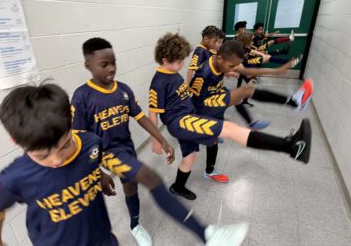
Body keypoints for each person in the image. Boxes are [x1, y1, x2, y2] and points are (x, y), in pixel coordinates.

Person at [0, 83, 249, 246]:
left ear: (71, 122)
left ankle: (207, 234)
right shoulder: (15, 177)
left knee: (149, 177)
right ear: (15, 141)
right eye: (43, 155)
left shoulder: (89, 143)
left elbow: (98, 160)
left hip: (102, 238)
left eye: (65, 145)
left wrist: (99, 174)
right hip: (53, 242)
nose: (57, 159)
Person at [71, 37, 247, 246]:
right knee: (151, 177)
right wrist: (97, 172)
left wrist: (161, 139)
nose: (111, 69)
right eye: (104, 65)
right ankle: (207, 234)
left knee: (131, 188)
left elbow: (142, 117)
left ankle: (135, 225)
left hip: (126, 148)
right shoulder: (82, 96)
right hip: (107, 153)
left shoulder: (123, 90)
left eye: (113, 62)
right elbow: (78, 140)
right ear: (88, 66)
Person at [149, 33, 312, 201]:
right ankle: (291, 146)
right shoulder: (159, 82)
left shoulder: (172, 73)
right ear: (164, 59)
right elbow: (152, 113)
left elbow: (186, 95)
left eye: (182, 60)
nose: (182, 65)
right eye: (178, 62)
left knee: (190, 158)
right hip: (181, 121)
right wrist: (157, 140)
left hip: (189, 115)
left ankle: (178, 187)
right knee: (230, 128)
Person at [190, 41, 313, 183]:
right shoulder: (203, 72)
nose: (234, 69)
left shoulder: (221, 61)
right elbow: (192, 96)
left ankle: (210, 171)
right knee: (246, 90)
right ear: (220, 59)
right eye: (231, 66)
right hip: (205, 105)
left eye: (234, 66)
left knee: (215, 139)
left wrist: (277, 71)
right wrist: (194, 123)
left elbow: (247, 71)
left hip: (216, 98)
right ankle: (295, 103)